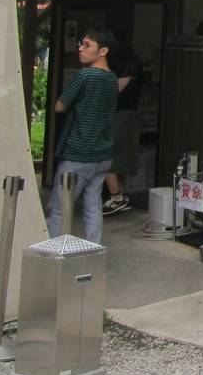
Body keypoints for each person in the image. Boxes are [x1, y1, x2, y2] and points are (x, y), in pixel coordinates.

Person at [45, 28, 119, 245]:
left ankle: (52, 251)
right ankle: (93, 248)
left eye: (87, 45)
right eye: (81, 43)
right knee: (93, 204)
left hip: (79, 151)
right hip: (103, 153)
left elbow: (60, 106)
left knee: (59, 207)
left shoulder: (85, 75)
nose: (81, 48)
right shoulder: (112, 78)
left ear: (103, 50)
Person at [103, 41, 144, 216]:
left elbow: (114, 90)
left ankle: (116, 197)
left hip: (121, 113)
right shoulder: (131, 65)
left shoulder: (127, 67)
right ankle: (121, 195)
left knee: (107, 155)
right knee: (118, 155)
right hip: (127, 112)